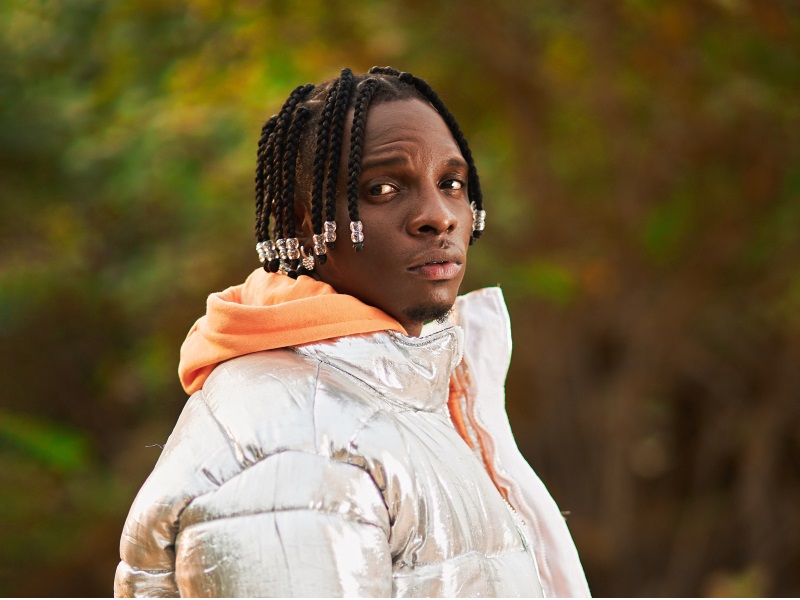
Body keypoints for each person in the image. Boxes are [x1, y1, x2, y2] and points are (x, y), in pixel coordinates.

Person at [114, 67, 590, 598]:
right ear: (304, 225)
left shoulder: (419, 391)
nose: (438, 216)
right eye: (383, 188)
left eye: (451, 184)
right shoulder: (298, 440)